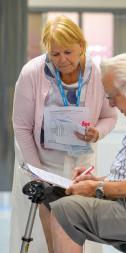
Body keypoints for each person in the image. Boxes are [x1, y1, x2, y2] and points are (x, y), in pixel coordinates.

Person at [47, 53, 126, 253]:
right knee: (53, 197)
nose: (111, 104)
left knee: (65, 210)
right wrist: (97, 180)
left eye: (112, 96)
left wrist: (97, 187)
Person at [10, 16, 117, 253]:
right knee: (42, 234)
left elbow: (110, 116)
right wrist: (37, 172)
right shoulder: (32, 73)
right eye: (55, 54)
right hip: (42, 165)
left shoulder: (98, 73)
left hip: (81, 167)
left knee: (80, 234)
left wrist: (97, 132)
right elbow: (21, 127)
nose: (62, 60)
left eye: (68, 52)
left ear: (82, 45)